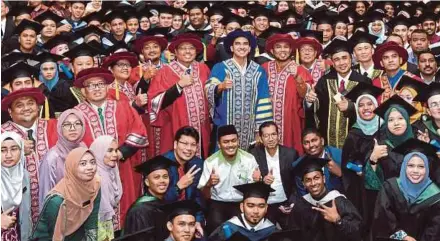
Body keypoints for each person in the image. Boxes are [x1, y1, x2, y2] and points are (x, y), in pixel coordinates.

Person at [73, 67, 148, 227]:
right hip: (91, 174)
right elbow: (72, 145)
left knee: (126, 211)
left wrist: (120, 153)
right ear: (83, 91)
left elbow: (139, 133)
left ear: (108, 87)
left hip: (123, 166)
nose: (97, 88)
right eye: (91, 85)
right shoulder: (76, 114)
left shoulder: (123, 107)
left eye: (100, 84)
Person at [205, 30, 273, 150]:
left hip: (250, 129)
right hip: (225, 124)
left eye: (245, 44)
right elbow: (208, 89)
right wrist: (221, 86)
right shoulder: (220, 67)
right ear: (231, 47)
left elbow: (263, 101)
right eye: (237, 44)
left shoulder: (258, 71)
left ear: (250, 47)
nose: (242, 47)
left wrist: (260, 130)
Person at [149, 33, 211, 158]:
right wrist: (178, 86)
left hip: (202, 127)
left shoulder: (203, 68)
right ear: (175, 52)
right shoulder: (165, 72)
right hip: (175, 126)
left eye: (191, 48)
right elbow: (154, 101)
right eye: (183, 48)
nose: (187, 51)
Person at [1, 87, 58, 224]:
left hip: (53, 205)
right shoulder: (2, 134)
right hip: (15, 211)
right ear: (10, 111)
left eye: (30, 103)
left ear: (38, 107)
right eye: (19, 105)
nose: (26, 108)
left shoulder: (55, 127)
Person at [305, 39, 371, 148]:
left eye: (344, 58)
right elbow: (315, 110)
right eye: (337, 59)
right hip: (327, 140)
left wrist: (351, 107)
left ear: (351, 59)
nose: (341, 63)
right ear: (332, 63)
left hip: (356, 141)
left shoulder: (363, 81)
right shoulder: (324, 81)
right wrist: (309, 101)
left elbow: (371, 110)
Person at [197, 125, 261, 234]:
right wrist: (208, 184)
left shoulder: (248, 159)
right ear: (219, 144)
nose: (230, 145)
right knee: (216, 232)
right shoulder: (210, 162)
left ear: (238, 141)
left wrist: (258, 181)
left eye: (233, 141)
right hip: (218, 204)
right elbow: (204, 196)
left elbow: (254, 191)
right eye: (226, 142)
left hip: (241, 203)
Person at [341, 82, 384, 238]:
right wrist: (358, 168)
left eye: (370, 104)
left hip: (386, 187)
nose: (366, 108)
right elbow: (346, 165)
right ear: (357, 109)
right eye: (361, 105)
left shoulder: (385, 128)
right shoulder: (353, 134)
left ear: (376, 105)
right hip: (363, 192)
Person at [373, 146, 440, 240]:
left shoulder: (435, 196)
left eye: (421, 166)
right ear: (404, 167)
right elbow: (383, 218)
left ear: (427, 169)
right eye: (410, 165)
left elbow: (436, 229)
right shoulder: (390, 187)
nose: (415, 171)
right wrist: (402, 236)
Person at [289, 156, 363, 241]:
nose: (313, 183)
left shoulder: (338, 201)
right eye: (308, 180)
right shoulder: (301, 204)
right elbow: (293, 233)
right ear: (304, 184)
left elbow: (358, 230)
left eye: (316, 178)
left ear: (323, 179)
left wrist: (338, 220)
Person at [262, 34, 312, 153]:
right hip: (267, 119)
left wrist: (297, 77)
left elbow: (305, 96)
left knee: (290, 154)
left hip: (291, 121)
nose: (282, 50)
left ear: (290, 50)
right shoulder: (264, 68)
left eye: (286, 47)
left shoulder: (300, 69)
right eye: (278, 47)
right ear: (272, 50)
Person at [249, 121, 298, 229]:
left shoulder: (291, 154)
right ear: (261, 139)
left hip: (285, 202)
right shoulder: (254, 154)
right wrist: (262, 181)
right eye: (266, 136)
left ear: (278, 136)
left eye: (273, 134)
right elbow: (249, 181)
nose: (271, 139)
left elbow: (297, 183)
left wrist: (292, 203)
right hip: (265, 204)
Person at [162, 126, 205, 238]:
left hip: (189, 217)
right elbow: (158, 200)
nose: (188, 148)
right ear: (175, 144)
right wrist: (179, 186)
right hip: (166, 218)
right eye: (184, 143)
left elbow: (197, 198)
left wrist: (198, 221)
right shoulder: (163, 165)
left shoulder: (197, 164)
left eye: (193, 145)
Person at [38, 109, 86, 208]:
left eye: (77, 123)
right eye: (67, 124)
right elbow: (46, 196)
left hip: (84, 211)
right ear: (60, 128)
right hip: (60, 215)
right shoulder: (52, 158)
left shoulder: (84, 149)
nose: (73, 128)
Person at [124, 155, 176, 239]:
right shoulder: (140, 210)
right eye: (157, 177)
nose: (162, 180)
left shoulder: (163, 203)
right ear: (147, 182)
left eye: (165, 177)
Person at [208, 182, 277, 241]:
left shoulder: (272, 231)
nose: (256, 211)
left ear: (266, 208)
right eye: (250, 205)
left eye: (261, 206)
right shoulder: (229, 227)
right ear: (242, 207)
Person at [90, 135, 122, 241]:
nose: (115, 155)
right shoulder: (94, 176)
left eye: (116, 150)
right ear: (99, 151)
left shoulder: (110, 170)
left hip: (106, 224)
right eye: (109, 150)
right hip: (95, 226)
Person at [1, 132, 32, 241]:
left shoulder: (25, 176)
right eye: (3, 150)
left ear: (22, 151)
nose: (8, 155)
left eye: (14, 149)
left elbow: (26, 212)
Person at [294, 128, 343, 196]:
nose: (311, 145)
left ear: (322, 141)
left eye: (314, 140)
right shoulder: (299, 165)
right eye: (306, 143)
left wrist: (341, 174)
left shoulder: (339, 156)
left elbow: (354, 185)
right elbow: (303, 195)